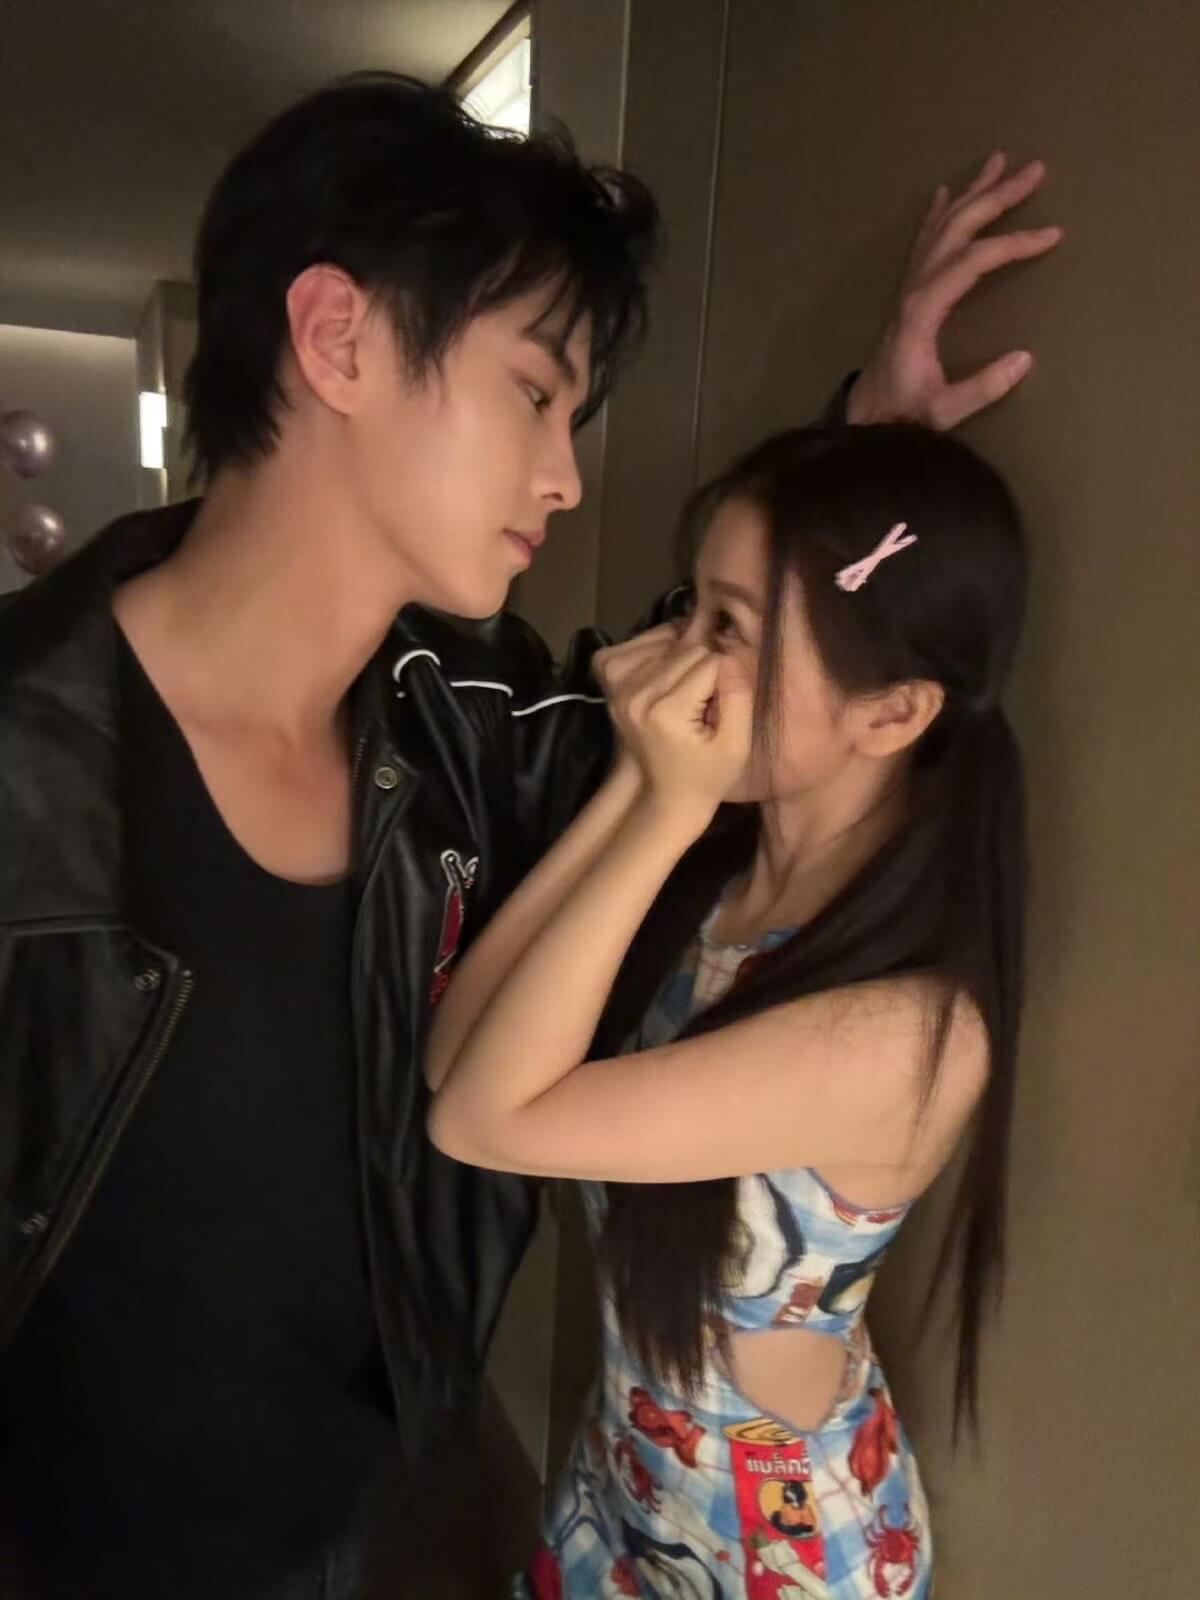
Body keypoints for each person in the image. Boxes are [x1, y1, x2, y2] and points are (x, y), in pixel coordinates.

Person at [0, 60, 1058, 1600]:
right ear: (339, 339)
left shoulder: (465, 726)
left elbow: (695, 706)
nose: (564, 475)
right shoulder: (26, 758)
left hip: (387, 1508)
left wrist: (858, 481)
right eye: (536, 393)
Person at [426, 421, 1031, 1599]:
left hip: (784, 1552)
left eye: (729, 630)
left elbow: (480, 1122)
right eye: (691, 610)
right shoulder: (714, 879)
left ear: (891, 713)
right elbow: (459, 1055)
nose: (664, 661)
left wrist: (664, 803)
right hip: (622, 1476)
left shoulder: (907, 1031)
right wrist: (641, 789)